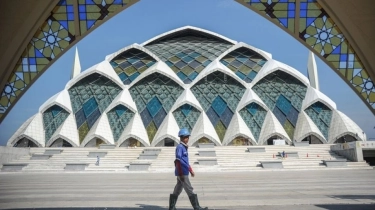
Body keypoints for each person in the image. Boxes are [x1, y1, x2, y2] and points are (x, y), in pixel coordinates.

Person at [169, 128, 208, 210]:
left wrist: (190, 170)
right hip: (182, 172)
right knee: (189, 189)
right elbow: (178, 161)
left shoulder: (184, 147)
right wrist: (180, 173)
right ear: (182, 138)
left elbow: (185, 162)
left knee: (178, 189)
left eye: (188, 137)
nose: (188, 139)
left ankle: (171, 207)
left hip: (184, 171)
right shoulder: (180, 147)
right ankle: (197, 207)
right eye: (186, 137)